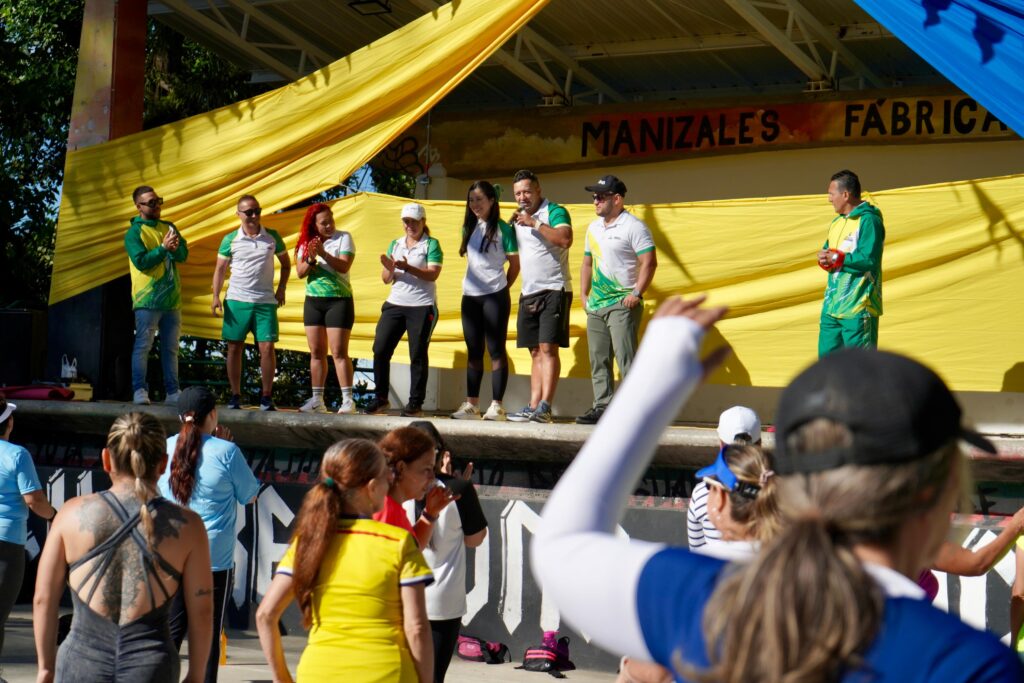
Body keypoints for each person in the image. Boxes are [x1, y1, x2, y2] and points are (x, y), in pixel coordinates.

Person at [533, 295, 1022, 682]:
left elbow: (559, 546)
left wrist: (655, 376)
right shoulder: (970, 665)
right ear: (934, 493)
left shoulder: (704, 599)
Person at [34, 412, 213, 683]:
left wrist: (45, 668)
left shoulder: (70, 514)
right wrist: (197, 674)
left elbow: (43, 598)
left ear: (106, 460)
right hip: (151, 666)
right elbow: (203, 610)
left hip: (81, 663)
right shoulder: (189, 526)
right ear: (164, 464)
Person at [255, 439, 434, 682]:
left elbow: (265, 615)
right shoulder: (399, 543)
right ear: (372, 487)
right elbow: (417, 628)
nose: (390, 482)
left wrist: (282, 678)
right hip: (387, 673)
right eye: (386, 476)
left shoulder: (306, 544)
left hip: (318, 672)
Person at [618, 443, 780, 683]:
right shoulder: (806, 564)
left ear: (720, 499)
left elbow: (657, 665)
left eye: (709, 487)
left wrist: (628, 668)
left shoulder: (685, 570)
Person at [159, 386, 261, 683]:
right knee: (208, 633)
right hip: (212, 559)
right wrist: (225, 446)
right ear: (213, 415)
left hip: (170, 554)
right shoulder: (227, 451)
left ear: (180, 417)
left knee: (170, 631)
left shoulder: (165, 447)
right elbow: (250, 495)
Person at [408, 421, 488, 683]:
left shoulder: (393, 489)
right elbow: (475, 540)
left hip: (402, 597)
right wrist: (460, 487)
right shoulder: (459, 490)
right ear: (439, 452)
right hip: (442, 601)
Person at [576, 175, 657, 425]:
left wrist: (636, 294)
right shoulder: (593, 228)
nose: (595, 201)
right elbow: (587, 263)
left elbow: (649, 262)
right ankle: (602, 406)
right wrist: (584, 294)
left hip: (622, 303)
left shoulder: (634, 227)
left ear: (617, 199)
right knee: (598, 359)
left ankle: (635, 411)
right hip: (597, 305)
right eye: (594, 197)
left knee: (626, 358)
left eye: (601, 197)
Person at [211, 194, 291, 411]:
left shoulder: (272, 237)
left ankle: (266, 397)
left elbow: (286, 264)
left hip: (265, 301)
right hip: (237, 300)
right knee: (234, 347)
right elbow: (220, 269)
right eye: (249, 212)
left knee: (267, 347)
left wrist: (282, 288)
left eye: (257, 210)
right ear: (238, 214)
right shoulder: (230, 239)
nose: (254, 215)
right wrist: (216, 296)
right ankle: (235, 395)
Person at [507, 170, 573, 424]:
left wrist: (534, 223)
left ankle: (546, 406)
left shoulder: (554, 211)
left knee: (548, 348)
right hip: (528, 291)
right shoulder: (515, 218)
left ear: (538, 190)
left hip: (554, 288)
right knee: (535, 351)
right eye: (518, 193)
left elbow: (565, 239)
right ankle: (533, 405)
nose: (522, 197)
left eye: (527, 191)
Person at [450, 181, 520, 421]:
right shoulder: (468, 227)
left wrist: (502, 289)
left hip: (495, 295)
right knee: (474, 351)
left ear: (492, 200)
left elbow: (515, 265)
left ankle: (497, 406)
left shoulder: (504, 229)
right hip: (470, 296)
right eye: (471, 200)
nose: (474, 204)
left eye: (479, 199)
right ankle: (472, 405)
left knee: (496, 350)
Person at [366, 203, 444, 417]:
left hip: (421, 305)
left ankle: (415, 404)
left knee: (417, 353)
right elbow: (385, 279)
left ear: (423, 222)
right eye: (406, 221)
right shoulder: (396, 244)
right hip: (395, 303)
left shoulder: (431, 244)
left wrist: (408, 267)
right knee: (380, 349)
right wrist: (390, 268)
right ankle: (381, 398)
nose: (410, 225)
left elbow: (433, 274)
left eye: (414, 221)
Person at [0, 397, 56, 657]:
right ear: (9, 423)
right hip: (7, 543)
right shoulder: (17, 455)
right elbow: (35, 500)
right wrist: (54, 516)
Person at [125, 185, 188, 405]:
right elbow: (141, 261)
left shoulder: (169, 227)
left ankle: (173, 392)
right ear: (138, 206)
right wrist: (163, 249)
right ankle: (139, 390)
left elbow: (183, 255)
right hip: (147, 301)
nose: (157, 205)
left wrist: (175, 249)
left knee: (171, 349)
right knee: (143, 346)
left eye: (158, 200)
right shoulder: (134, 233)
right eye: (151, 202)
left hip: (172, 300)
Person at [294, 203, 358, 414]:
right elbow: (300, 272)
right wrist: (311, 257)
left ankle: (348, 400)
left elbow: (344, 265)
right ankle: (317, 400)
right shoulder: (305, 242)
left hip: (339, 300)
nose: (329, 225)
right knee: (316, 352)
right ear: (314, 225)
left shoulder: (344, 237)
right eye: (324, 223)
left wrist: (323, 253)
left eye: (331, 220)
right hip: (313, 301)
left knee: (339, 351)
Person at [817, 169, 884, 357]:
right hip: (832, 308)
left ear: (845, 195)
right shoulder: (836, 223)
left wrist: (836, 258)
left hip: (858, 308)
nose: (829, 199)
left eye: (831, 194)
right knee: (827, 366)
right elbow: (830, 254)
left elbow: (869, 260)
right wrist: (824, 258)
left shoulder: (869, 220)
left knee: (860, 368)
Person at [686, 406, 761, 551]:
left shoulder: (701, 494)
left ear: (721, 445)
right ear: (760, 444)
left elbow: (696, 553)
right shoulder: (777, 492)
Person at [374, 426, 457, 549]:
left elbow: (411, 551)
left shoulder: (389, 507)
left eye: (432, 469)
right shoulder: (385, 512)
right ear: (401, 468)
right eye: (427, 469)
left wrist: (430, 514)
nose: (432, 477)